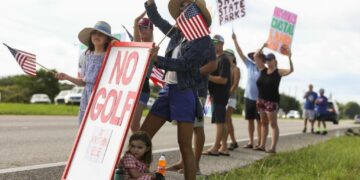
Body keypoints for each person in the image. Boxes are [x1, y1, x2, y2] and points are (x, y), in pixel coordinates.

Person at [141, 0, 214, 179]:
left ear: (198, 13)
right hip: (168, 89)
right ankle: (137, 174)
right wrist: (150, 5)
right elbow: (158, 21)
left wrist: (157, 59)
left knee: (184, 144)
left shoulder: (203, 40)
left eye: (189, 5)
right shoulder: (177, 33)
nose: (184, 8)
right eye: (182, 6)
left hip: (185, 91)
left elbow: (185, 64)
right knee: (143, 136)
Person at [55, 21, 118, 125]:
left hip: (103, 96)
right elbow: (83, 82)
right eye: (94, 33)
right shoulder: (85, 56)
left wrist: (114, 46)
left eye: (101, 34)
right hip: (87, 96)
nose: (96, 36)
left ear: (107, 39)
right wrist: (67, 77)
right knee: (85, 127)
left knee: (99, 127)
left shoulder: (112, 56)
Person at [254, 43, 294, 153]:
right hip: (261, 100)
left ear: (274, 61)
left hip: (272, 101)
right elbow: (256, 56)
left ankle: (273, 148)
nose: (268, 61)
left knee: (273, 124)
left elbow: (291, 70)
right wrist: (263, 46)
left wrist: (289, 58)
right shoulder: (262, 69)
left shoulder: (278, 72)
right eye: (267, 60)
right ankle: (262, 145)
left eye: (270, 59)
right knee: (263, 123)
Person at [232, 32, 261, 149]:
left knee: (259, 121)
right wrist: (235, 40)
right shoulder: (249, 65)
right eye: (254, 55)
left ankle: (260, 143)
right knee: (250, 121)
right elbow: (240, 53)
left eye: (257, 55)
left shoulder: (264, 68)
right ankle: (251, 142)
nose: (255, 57)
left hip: (260, 99)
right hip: (248, 97)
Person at [203, 35, 231, 156]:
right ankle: (224, 147)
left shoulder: (223, 59)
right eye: (212, 42)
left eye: (216, 42)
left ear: (221, 44)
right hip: (216, 94)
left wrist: (207, 76)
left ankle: (216, 147)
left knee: (219, 122)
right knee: (221, 122)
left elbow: (224, 79)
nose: (213, 44)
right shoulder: (216, 58)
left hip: (220, 95)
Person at [130, 12, 155, 132]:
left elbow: (137, 43)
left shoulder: (153, 47)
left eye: (144, 27)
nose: (141, 30)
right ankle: (140, 148)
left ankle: (141, 149)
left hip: (143, 87)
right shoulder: (139, 45)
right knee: (130, 125)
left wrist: (135, 22)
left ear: (151, 29)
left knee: (134, 125)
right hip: (132, 86)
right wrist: (135, 22)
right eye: (139, 28)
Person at [223, 49, 241, 151]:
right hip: (222, 97)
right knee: (227, 120)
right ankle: (233, 142)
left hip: (231, 98)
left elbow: (235, 84)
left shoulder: (236, 69)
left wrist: (227, 94)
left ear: (233, 57)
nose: (226, 56)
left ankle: (224, 143)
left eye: (228, 55)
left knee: (226, 119)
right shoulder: (224, 67)